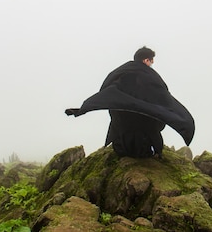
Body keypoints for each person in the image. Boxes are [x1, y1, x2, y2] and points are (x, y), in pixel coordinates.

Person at [65, 46, 194, 158]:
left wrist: (82, 109)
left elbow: (105, 91)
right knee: (151, 118)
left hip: (120, 146)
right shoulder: (150, 76)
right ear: (146, 60)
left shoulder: (120, 72)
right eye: (151, 61)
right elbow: (164, 99)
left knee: (121, 116)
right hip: (144, 147)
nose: (152, 64)